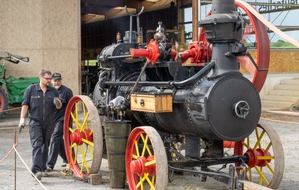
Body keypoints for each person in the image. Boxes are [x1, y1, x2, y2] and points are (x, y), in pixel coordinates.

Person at [18, 69, 62, 180]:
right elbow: (25, 105)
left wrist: (58, 103)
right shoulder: (31, 90)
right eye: (47, 79)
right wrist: (22, 119)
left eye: (50, 78)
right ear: (40, 78)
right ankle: (36, 170)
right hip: (35, 121)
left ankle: (42, 168)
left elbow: (58, 107)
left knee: (45, 145)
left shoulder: (53, 91)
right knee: (37, 144)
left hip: (49, 122)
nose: (49, 80)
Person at [46, 73, 73, 172]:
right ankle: (67, 159)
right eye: (55, 80)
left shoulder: (67, 91)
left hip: (63, 119)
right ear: (51, 81)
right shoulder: (48, 91)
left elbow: (72, 106)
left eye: (58, 80)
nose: (57, 82)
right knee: (59, 141)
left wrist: (70, 120)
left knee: (55, 138)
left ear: (61, 81)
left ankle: (49, 165)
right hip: (51, 120)